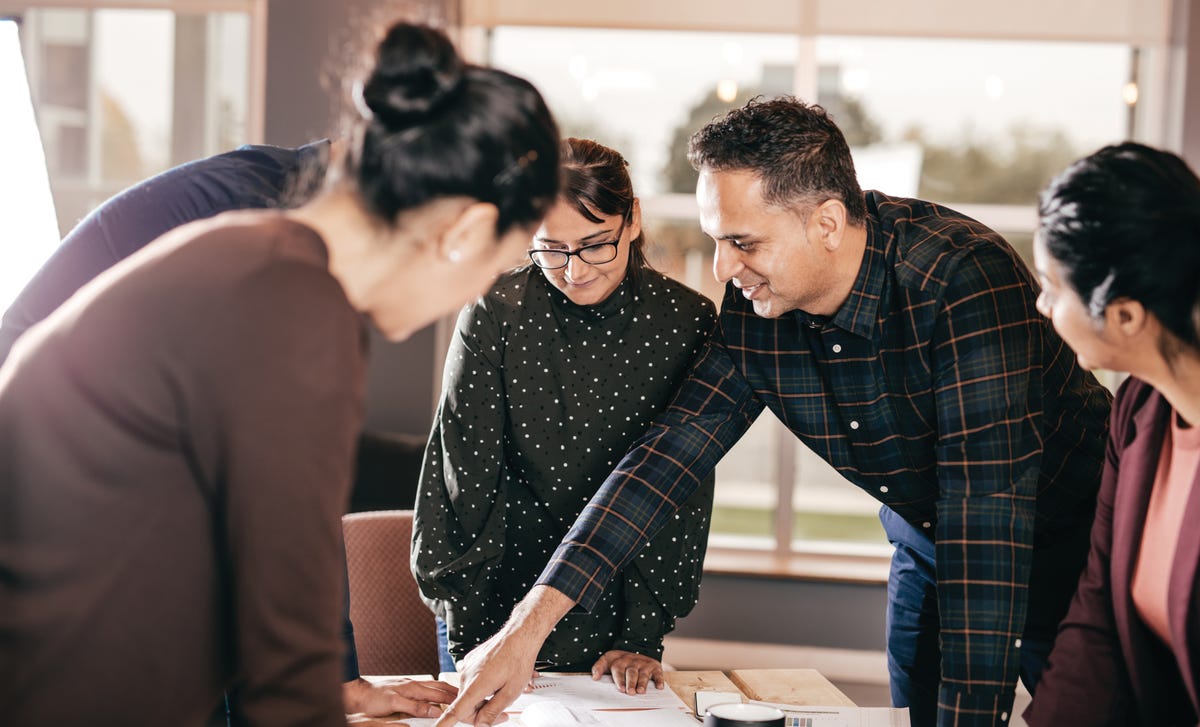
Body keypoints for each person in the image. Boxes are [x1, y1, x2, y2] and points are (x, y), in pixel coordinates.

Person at [434, 97, 1114, 727]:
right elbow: (664, 460)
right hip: (928, 536)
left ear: (825, 223)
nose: (724, 267)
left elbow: (985, 517)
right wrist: (526, 629)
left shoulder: (962, 282)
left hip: (1075, 544)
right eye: (716, 239)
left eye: (743, 241)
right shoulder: (758, 307)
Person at [0, 21, 559, 727]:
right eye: (500, 262)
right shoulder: (295, 308)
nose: (480, 291)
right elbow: (283, 670)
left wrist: (329, 681)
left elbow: (283, 551)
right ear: (468, 231)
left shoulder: (262, 257)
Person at [412, 137, 717, 693]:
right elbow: (463, 480)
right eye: (550, 248)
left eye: (595, 245)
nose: (573, 271)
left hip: (622, 612)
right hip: (492, 600)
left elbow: (681, 492)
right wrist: (474, 634)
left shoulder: (686, 321)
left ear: (633, 221)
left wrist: (644, 632)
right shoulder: (493, 312)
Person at [1023, 143, 1200, 726]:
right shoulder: (1138, 409)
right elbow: (1098, 609)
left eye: (1053, 286)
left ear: (1124, 315)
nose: (1043, 305)